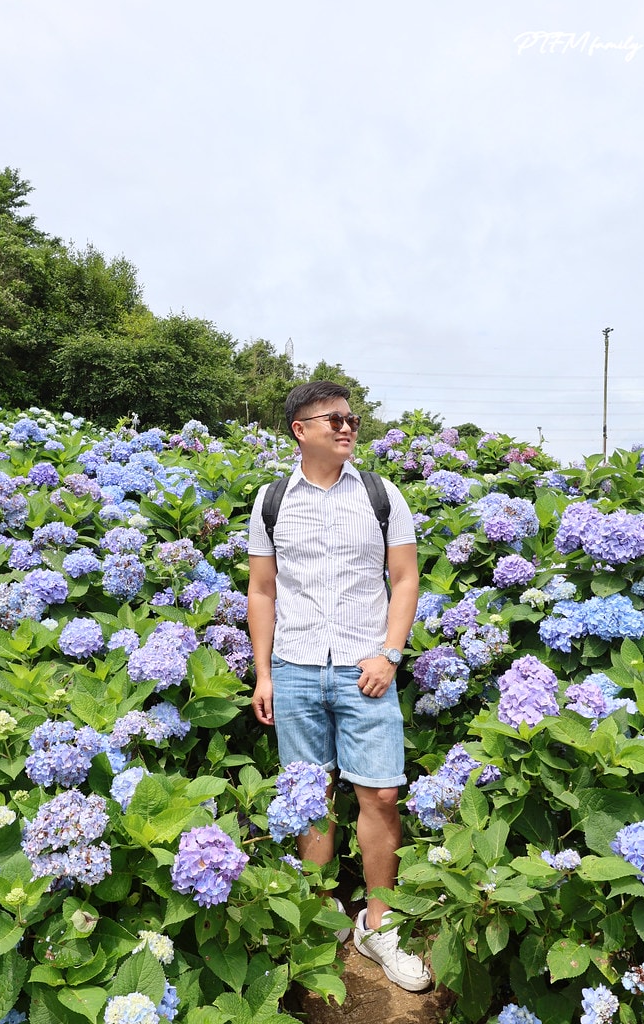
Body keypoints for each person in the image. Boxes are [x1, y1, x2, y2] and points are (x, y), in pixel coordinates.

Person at [247, 380, 431, 992]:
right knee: (311, 799)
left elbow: (404, 580)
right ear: (301, 430)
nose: (348, 427)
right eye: (334, 419)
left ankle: (379, 922)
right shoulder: (272, 499)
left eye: (352, 419)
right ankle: (318, 919)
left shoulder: (382, 495)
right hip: (296, 667)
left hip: (366, 671)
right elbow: (262, 590)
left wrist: (390, 653)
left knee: (379, 796)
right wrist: (264, 672)